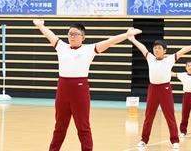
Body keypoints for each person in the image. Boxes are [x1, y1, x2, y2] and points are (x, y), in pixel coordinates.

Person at [33, 19, 141, 151]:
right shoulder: (61, 46)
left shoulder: (89, 49)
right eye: (70, 34)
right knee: (59, 127)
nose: (72, 37)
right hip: (62, 89)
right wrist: (41, 26)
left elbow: (109, 41)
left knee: (83, 127)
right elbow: (50, 34)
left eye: (75, 34)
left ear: (83, 37)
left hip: (80, 90)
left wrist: (126, 35)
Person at [128, 35, 191, 150]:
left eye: (159, 48)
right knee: (149, 117)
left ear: (164, 51)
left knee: (170, 116)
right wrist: (133, 39)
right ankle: (144, 140)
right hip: (153, 89)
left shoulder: (170, 59)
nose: (156, 50)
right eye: (155, 48)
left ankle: (175, 141)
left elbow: (182, 51)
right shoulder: (150, 58)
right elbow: (142, 47)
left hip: (165, 90)